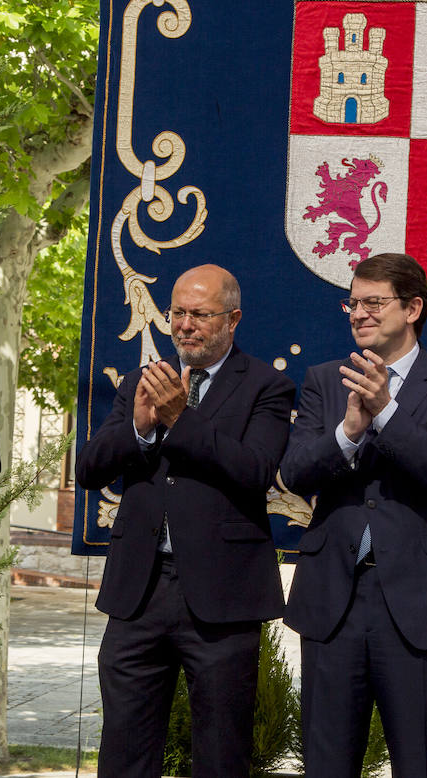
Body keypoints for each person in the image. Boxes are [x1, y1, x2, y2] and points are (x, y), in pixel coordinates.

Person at [76, 264, 295, 778]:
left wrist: (181, 419)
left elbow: (256, 471)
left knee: (221, 753)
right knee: (124, 751)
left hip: (221, 600)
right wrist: (140, 425)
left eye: (200, 314)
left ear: (233, 318)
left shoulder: (268, 386)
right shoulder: (141, 381)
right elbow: (90, 468)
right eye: (177, 313)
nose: (184, 325)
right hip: (139, 592)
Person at [282, 253, 427, 778]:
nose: (359, 313)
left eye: (374, 302)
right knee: (326, 764)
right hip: (334, 602)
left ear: (413, 307)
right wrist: (349, 431)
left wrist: (387, 412)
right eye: (353, 302)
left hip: (421, 606)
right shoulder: (326, 380)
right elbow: (297, 472)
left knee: (421, 763)